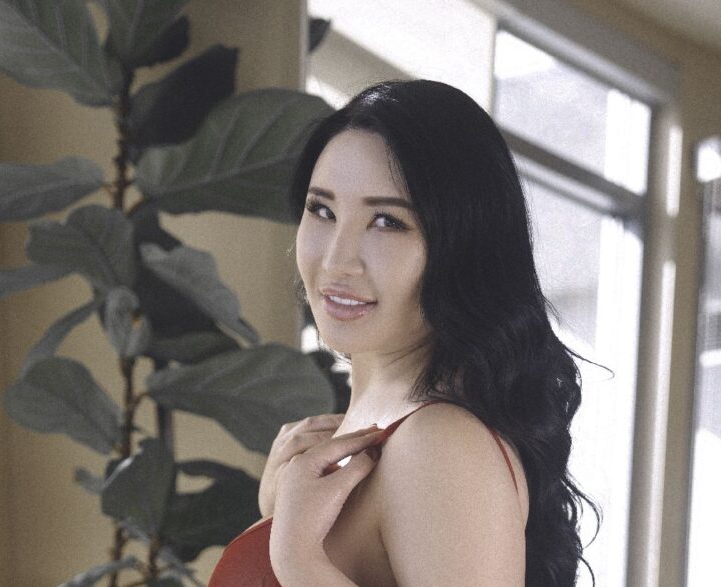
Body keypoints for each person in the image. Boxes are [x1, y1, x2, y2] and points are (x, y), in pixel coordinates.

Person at [208, 79, 598, 586]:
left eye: (387, 222)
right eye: (322, 210)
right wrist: (275, 521)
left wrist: (298, 557)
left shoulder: (441, 445)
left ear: (464, 246)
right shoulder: (362, 440)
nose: (337, 260)